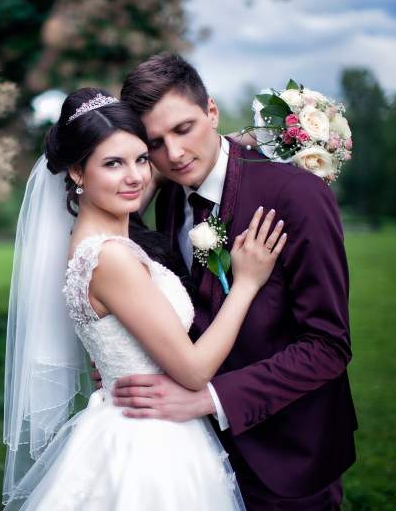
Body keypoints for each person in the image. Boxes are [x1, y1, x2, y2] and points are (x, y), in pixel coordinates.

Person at [2, 87, 287, 510]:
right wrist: (246, 284)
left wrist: (233, 142)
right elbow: (194, 371)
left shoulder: (92, 237)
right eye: (113, 163)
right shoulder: (110, 258)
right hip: (147, 443)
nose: (135, 176)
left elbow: (148, 177)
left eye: (140, 158)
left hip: (134, 420)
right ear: (77, 173)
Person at [110, 54, 357, 510]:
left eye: (183, 129)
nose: (174, 154)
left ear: (212, 111)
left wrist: (211, 398)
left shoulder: (296, 195)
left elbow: (328, 345)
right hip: (202, 457)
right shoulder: (170, 198)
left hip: (290, 455)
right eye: (155, 143)